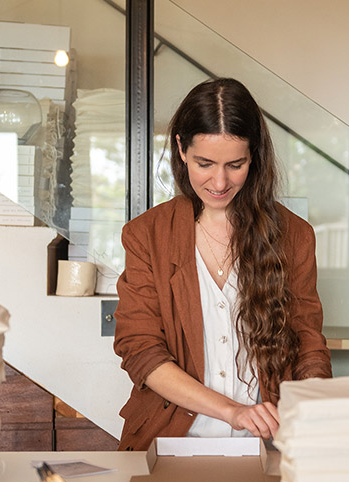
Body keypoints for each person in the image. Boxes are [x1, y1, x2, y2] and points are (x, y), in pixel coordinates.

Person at [114, 78, 332, 451]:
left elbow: (307, 343)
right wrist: (232, 411)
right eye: (205, 163)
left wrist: (312, 406)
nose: (219, 181)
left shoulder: (294, 235)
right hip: (171, 441)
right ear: (181, 148)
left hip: (267, 442)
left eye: (236, 164)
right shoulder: (146, 235)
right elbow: (142, 350)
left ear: (255, 155)